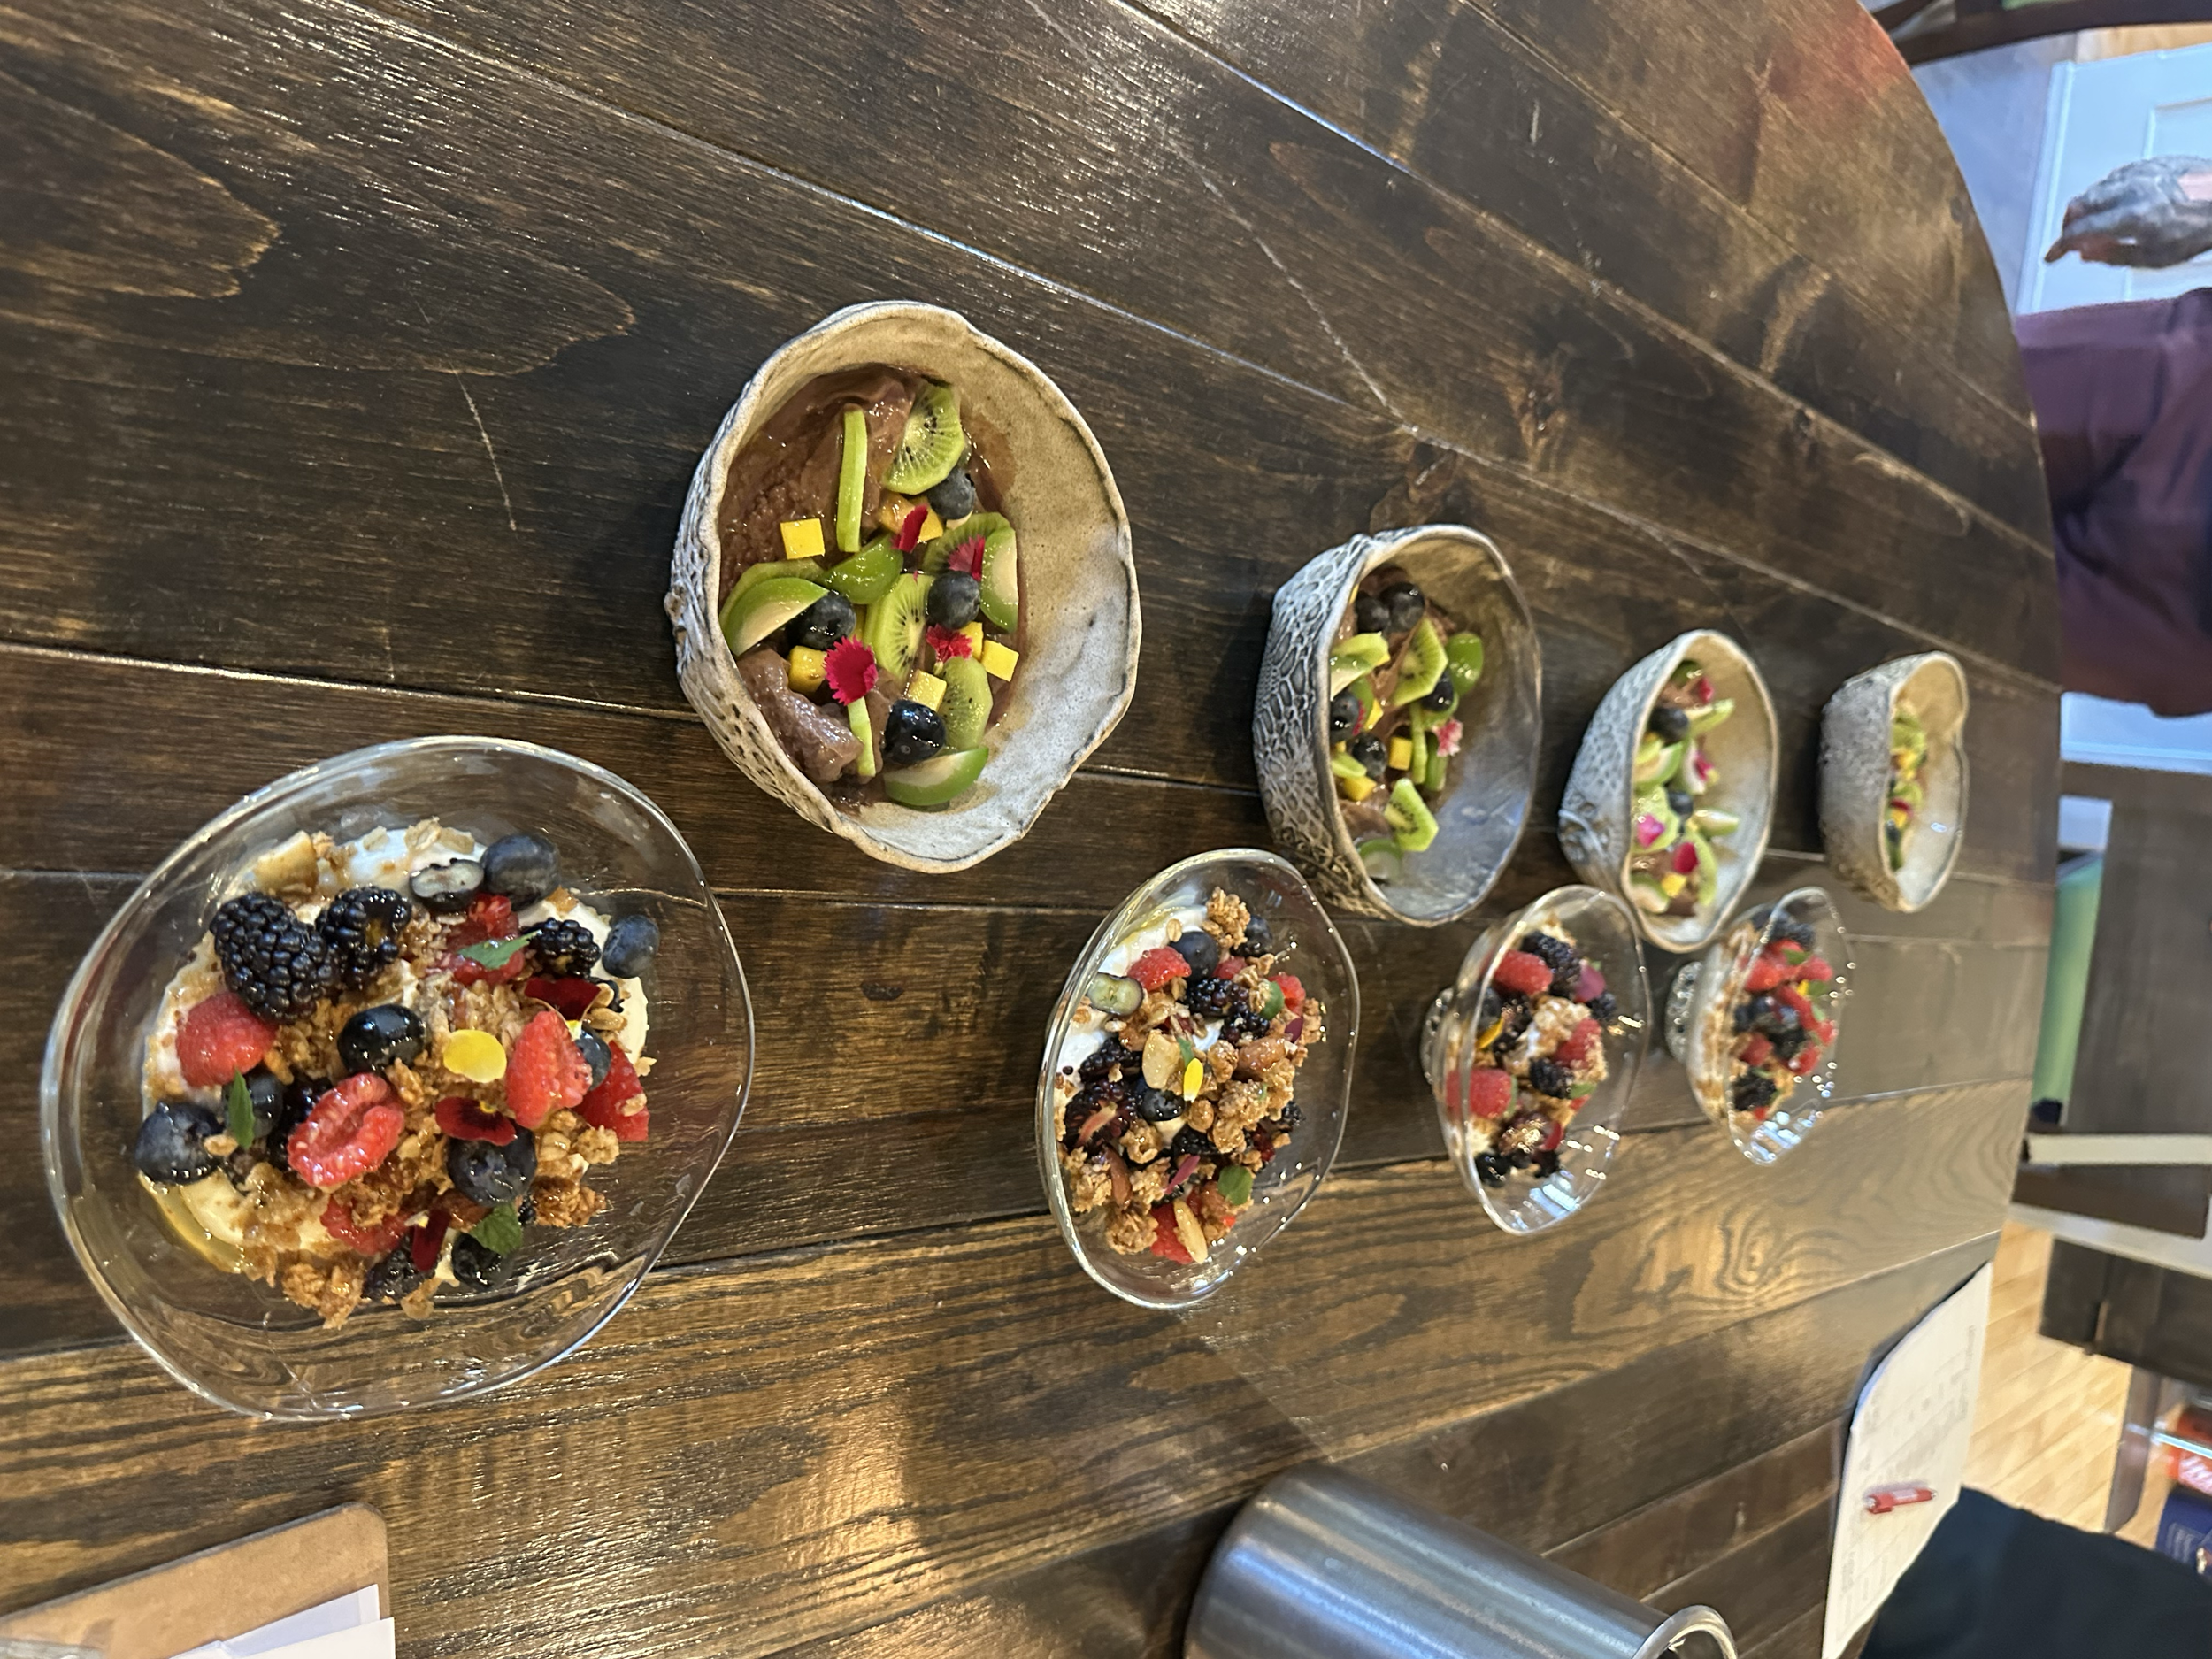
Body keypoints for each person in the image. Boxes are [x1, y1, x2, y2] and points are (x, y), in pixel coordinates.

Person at [2017, 157, 2212, 715]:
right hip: (2184, 394)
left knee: (1866, 615)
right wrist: (2201, 197)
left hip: (2171, 626)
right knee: (1878, 386)